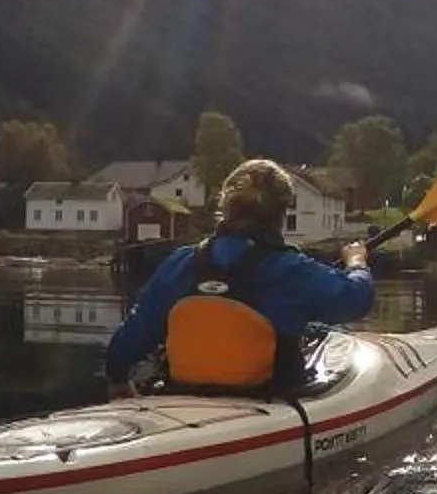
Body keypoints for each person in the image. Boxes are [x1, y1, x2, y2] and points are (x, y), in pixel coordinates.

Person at [106, 159, 374, 396]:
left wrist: (119, 379)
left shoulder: (180, 264)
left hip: (182, 397)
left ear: (225, 207)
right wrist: (356, 261)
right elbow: (356, 299)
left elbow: (128, 341)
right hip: (268, 402)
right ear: (281, 214)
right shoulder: (292, 269)